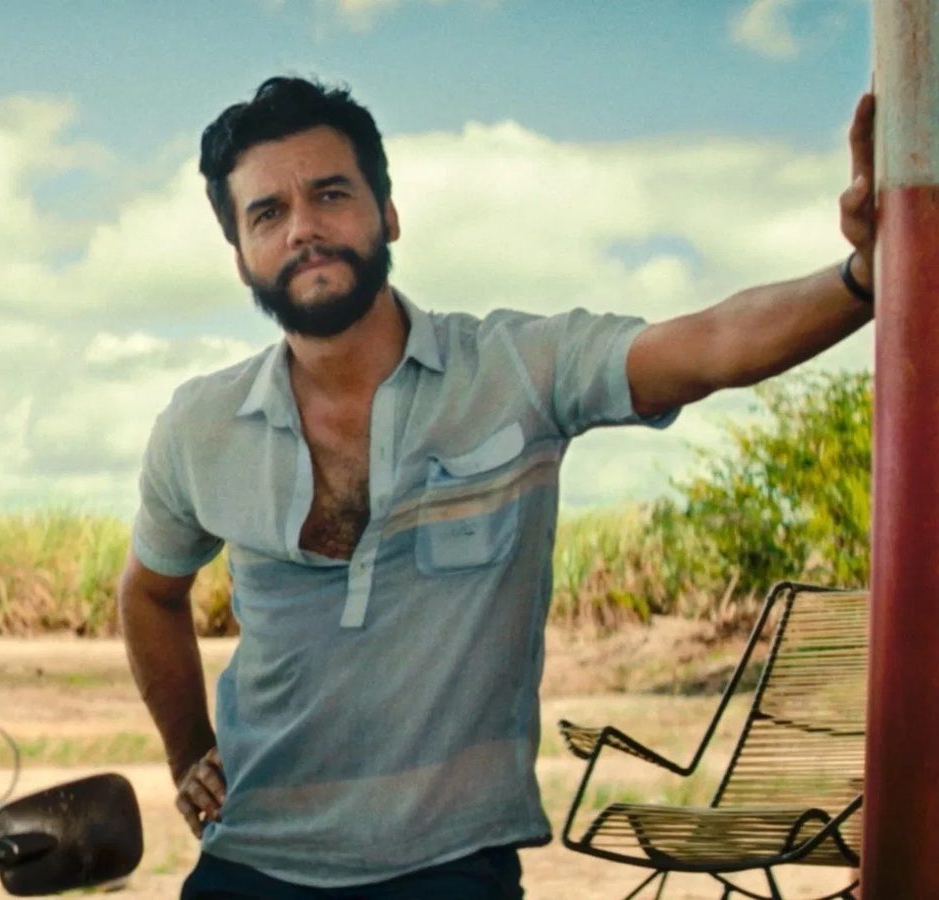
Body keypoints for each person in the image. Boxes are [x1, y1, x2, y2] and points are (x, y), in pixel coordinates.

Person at [118, 76, 876, 899]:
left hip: (451, 866)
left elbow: (711, 344)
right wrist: (188, 752)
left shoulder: (517, 371)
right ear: (240, 256)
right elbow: (150, 593)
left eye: (330, 194)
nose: (303, 227)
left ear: (387, 212)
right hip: (249, 861)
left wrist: (863, 278)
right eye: (267, 213)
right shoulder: (200, 426)